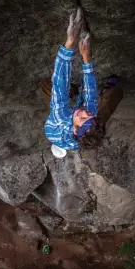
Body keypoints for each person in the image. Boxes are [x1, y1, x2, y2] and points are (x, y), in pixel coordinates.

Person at [42, 8, 122, 159]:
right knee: (112, 96)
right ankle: (108, 89)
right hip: (87, 125)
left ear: (74, 129)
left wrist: (71, 41)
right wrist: (86, 56)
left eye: (83, 118)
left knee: (51, 87)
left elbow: (59, 83)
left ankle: (72, 91)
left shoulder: (58, 119)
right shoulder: (89, 119)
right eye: (89, 116)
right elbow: (90, 93)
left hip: (64, 115)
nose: (85, 113)